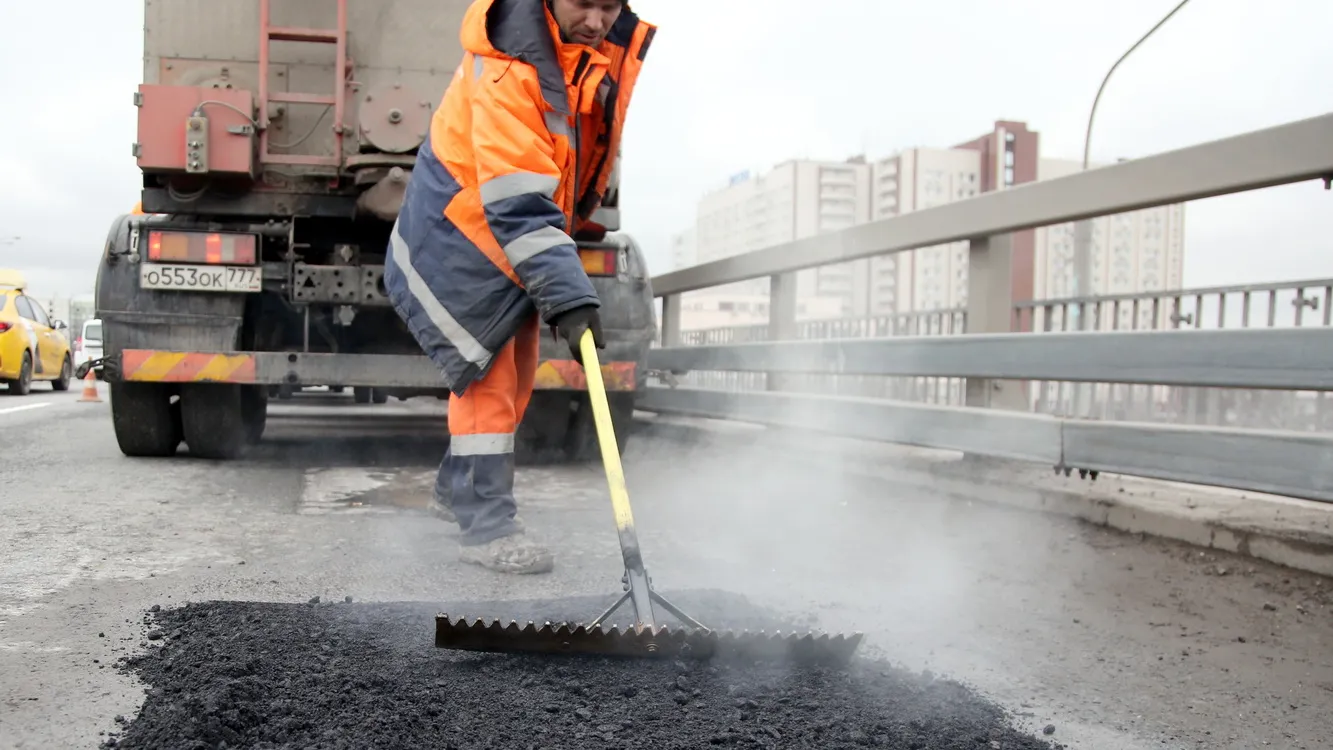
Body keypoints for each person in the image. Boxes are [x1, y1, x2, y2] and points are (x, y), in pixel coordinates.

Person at [383, 0, 656, 575]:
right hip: (465, 237)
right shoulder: (511, 68)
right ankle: (486, 528)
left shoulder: (573, 58)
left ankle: (455, 490)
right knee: (489, 377)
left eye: (611, 7)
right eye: (586, 3)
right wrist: (571, 294)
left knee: (518, 380)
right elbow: (519, 202)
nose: (598, 20)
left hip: (507, 243)